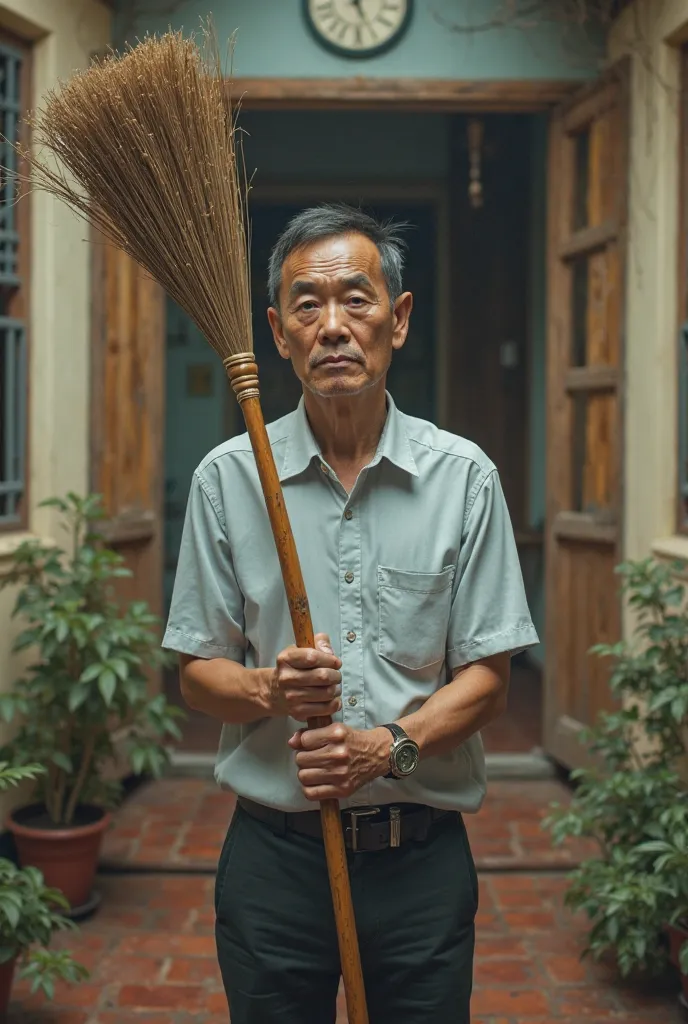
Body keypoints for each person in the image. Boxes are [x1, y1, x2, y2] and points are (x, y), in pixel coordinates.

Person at [163, 203, 539, 1023]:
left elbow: (488, 680)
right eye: (307, 304)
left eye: (357, 300)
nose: (333, 325)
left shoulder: (462, 479)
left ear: (397, 320)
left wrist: (385, 747)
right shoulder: (227, 481)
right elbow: (197, 674)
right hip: (274, 861)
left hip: (421, 867)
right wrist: (269, 691)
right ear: (278, 331)